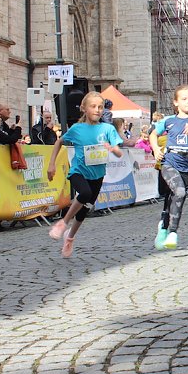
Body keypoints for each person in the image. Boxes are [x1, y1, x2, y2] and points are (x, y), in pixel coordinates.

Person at [47, 92, 123, 258]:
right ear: (84, 108)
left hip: (97, 175)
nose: (97, 110)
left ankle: (70, 237)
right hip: (78, 171)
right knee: (85, 193)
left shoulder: (108, 129)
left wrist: (112, 148)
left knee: (85, 209)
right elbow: (59, 142)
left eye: (100, 107)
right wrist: (51, 164)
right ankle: (63, 223)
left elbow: (119, 153)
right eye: (93, 106)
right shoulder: (77, 129)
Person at [149, 85, 188, 250]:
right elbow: (152, 133)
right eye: (184, 99)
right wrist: (155, 149)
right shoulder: (168, 120)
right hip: (169, 162)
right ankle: (173, 232)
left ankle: (163, 224)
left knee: (174, 197)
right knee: (180, 192)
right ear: (176, 102)